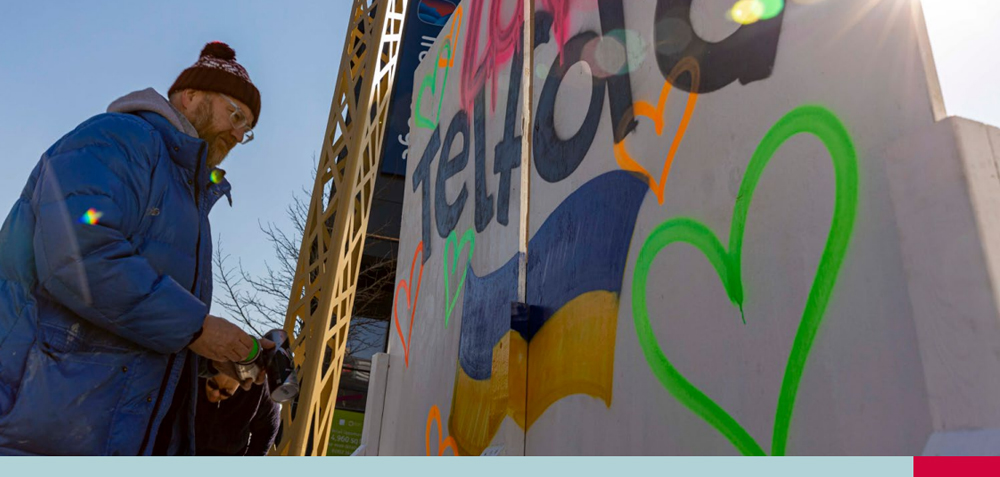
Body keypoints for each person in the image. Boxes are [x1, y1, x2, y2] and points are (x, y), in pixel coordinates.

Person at [0, 41, 271, 455]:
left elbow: (137, 324)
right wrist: (196, 329)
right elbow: (79, 252)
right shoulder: (120, 139)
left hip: (94, 432)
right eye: (235, 115)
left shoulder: (188, 192)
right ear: (190, 96)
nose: (237, 134)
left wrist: (209, 355)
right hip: (35, 425)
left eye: (246, 129)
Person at [195, 373, 280, 456]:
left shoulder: (259, 384)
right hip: (190, 442)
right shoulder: (195, 368)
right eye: (212, 384)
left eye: (225, 393)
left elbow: (266, 430)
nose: (214, 396)